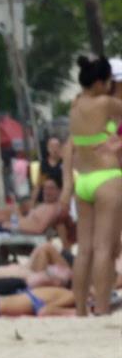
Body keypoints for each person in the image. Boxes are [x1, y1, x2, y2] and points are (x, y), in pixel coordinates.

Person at [67, 55, 122, 316]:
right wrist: (117, 143)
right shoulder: (105, 103)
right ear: (100, 82)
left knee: (84, 250)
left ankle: (79, 309)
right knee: (104, 247)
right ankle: (101, 307)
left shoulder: (75, 106)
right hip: (106, 177)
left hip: (84, 180)